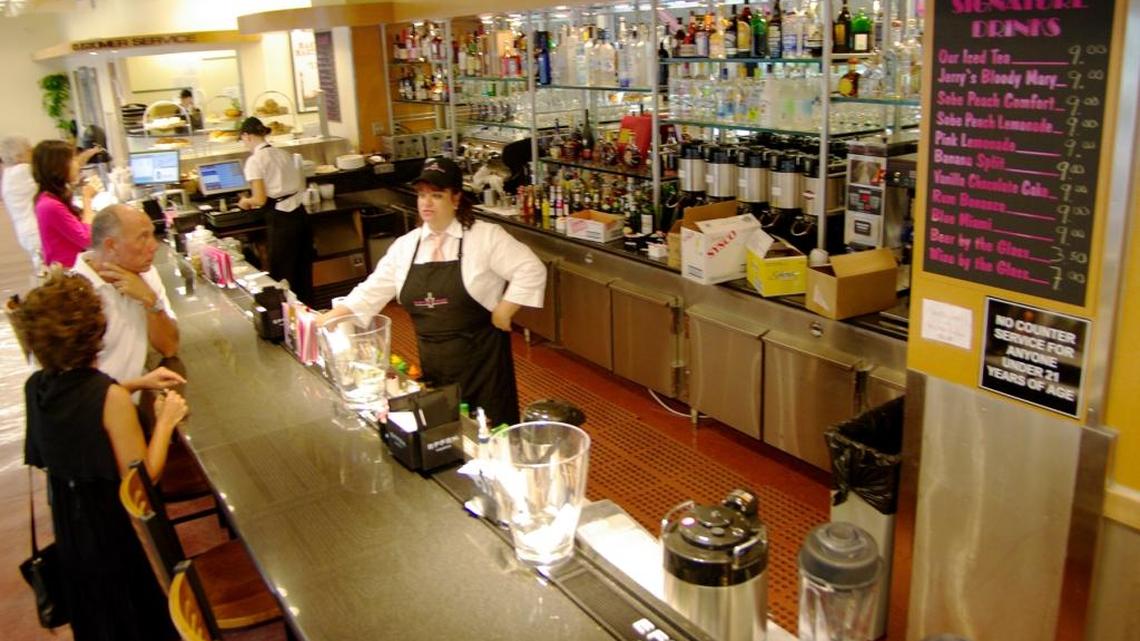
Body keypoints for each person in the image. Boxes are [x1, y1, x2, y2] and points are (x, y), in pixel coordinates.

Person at [15, 269, 188, 641]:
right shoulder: (109, 398)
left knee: (95, 610)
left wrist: (136, 382)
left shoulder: (37, 386)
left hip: (69, 517)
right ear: (95, 331)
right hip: (108, 526)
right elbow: (142, 479)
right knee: (131, 608)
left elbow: (77, 405)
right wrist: (165, 422)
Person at [322, 157, 546, 426]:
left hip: (484, 366)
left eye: (437, 195)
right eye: (422, 195)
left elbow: (531, 269)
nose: (426, 203)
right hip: (433, 365)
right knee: (445, 432)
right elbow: (373, 289)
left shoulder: (485, 237)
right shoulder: (406, 246)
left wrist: (505, 309)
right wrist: (333, 316)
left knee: (491, 437)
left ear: (456, 199)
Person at [72, 204, 179, 385]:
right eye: (143, 237)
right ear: (111, 245)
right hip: (102, 409)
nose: (154, 246)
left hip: (133, 400)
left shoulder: (147, 274)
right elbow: (73, 394)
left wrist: (151, 301)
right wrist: (136, 387)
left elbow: (169, 347)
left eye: (152, 234)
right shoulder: (72, 296)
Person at [235, 117, 312, 303]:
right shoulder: (282, 153)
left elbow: (260, 199)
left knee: (284, 275)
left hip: (281, 220)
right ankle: (309, 316)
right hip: (300, 215)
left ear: (246, 136)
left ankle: (288, 320)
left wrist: (245, 202)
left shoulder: (255, 160)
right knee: (303, 271)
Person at [32, 140, 101, 268]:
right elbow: (87, 239)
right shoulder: (49, 206)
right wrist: (87, 199)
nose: (77, 165)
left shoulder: (50, 198)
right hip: (70, 269)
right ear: (58, 166)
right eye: (73, 160)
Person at [0, 135, 41, 273]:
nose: (33, 153)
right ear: (18, 156)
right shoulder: (22, 170)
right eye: (29, 150)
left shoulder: (8, 174)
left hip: (26, 231)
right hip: (35, 230)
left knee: (41, 265)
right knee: (46, 266)